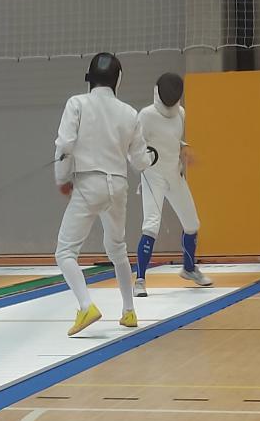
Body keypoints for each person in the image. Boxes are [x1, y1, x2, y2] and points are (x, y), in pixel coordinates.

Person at [54, 52, 158, 336]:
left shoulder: (77, 103)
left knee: (65, 252)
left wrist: (62, 178)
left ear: (90, 78)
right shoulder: (130, 113)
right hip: (118, 187)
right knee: (117, 249)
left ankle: (86, 305)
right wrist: (153, 157)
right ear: (117, 80)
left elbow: (65, 145)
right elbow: (139, 161)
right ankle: (129, 311)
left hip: (89, 184)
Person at [133, 72, 212, 298]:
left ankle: (189, 269)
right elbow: (134, 145)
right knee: (151, 226)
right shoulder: (146, 115)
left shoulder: (181, 113)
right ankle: (140, 280)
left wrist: (184, 147)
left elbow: (172, 139)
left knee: (192, 223)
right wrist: (143, 162)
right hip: (153, 175)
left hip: (174, 174)